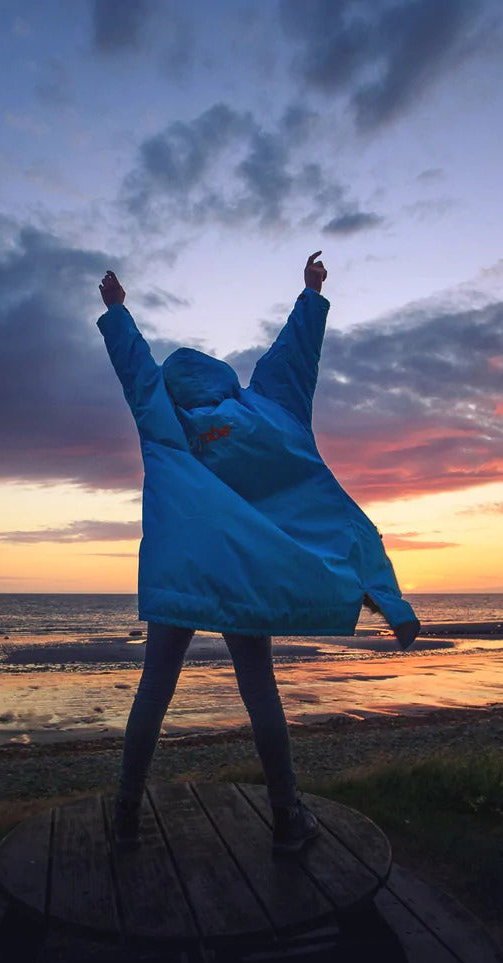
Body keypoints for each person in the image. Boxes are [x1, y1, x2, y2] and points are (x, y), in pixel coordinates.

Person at [97, 252, 419, 855]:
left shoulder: (165, 421)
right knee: (259, 690)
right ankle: (286, 815)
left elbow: (137, 374)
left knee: (155, 689)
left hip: (184, 571)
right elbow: (296, 361)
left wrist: (118, 313)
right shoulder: (264, 409)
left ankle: (125, 811)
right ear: (223, 377)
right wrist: (311, 296)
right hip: (248, 573)